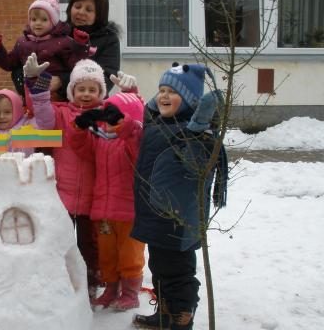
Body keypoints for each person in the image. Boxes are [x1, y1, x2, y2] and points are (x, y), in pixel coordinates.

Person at [131, 63, 228, 330]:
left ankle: (182, 316)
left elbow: (201, 158)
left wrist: (200, 127)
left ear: (190, 101)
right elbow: (150, 113)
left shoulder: (197, 134)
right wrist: (153, 99)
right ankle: (164, 312)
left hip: (177, 220)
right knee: (160, 267)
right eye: (161, 90)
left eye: (172, 92)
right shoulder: (161, 124)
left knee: (178, 272)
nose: (163, 96)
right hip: (154, 214)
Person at [24, 56, 106, 299]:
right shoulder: (61, 113)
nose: (86, 93)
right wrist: (34, 83)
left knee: (89, 245)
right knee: (61, 240)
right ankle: (61, 279)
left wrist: (131, 92)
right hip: (64, 193)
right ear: (72, 91)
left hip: (93, 194)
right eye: (81, 88)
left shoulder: (105, 115)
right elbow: (44, 117)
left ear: (100, 92)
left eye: (92, 89)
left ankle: (91, 281)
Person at [70, 89, 146, 311]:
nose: (110, 122)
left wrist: (125, 126)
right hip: (103, 210)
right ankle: (111, 289)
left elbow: (137, 146)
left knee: (130, 254)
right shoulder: (101, 140)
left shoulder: (133, 141)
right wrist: (80, 127)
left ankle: (130, 292)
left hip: (129, 211)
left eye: (116, 115)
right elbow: (81, 148)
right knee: (107, 254)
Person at [0, 0, 94, 102]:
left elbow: (75, 65)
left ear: (53, 22)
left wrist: (81, 45)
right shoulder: (22, 42)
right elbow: (10, 64)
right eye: (34, 19)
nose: (38, 23)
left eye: (44, 20)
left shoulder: (63, 42)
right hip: (30, 94)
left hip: (56, 95)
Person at [63, 0, 121, 95]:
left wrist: (62, 81)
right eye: (77, 6)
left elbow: (107, 78)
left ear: (99, 16)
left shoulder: (109, 39)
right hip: (55, 102)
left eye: (89, 10)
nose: (81, 12)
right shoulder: (59, 33)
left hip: (91, 103)